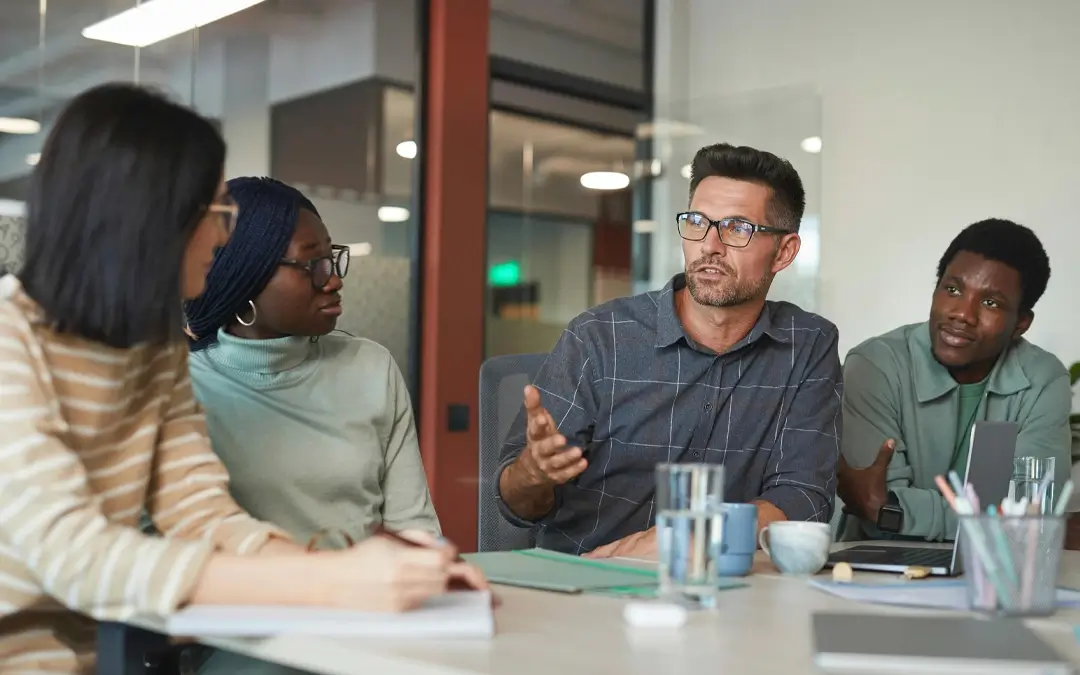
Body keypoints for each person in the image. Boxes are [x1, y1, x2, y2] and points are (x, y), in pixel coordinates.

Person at [0, 83, 480, 674]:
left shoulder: (153, 351)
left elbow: (202, 512)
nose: (227, 235)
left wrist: (348, 576)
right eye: (215, 212)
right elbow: (74, 555)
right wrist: (328, 585)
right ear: (149, 218)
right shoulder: (8, 344)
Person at [496, 143, 843, 558]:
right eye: (697, 221)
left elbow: (804, 501)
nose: (709, 245)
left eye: (736, 228)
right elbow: (515, 504)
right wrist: (532, 475)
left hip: (721, 596)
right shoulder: (600, 337)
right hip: (587, 582)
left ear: (783, 252)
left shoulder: (806, 346)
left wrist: (684, 538)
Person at [182, 177, 439, 545]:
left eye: (332, 259)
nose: (333, 280)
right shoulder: (181, 387)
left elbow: (414, 527)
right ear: (246, 277)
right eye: (312, 264)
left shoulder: (370, 367)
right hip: (243, 598)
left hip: (369, 595)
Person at [836, 219, 1070, 542]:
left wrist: (897, 511)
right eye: (953, 289)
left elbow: (1030, 519)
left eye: (991, 303)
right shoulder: (875, 366)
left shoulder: (1043, 380)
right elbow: (872, 515)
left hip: (995, 576)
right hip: (874, 570)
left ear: (1021, 324)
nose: (962, 314)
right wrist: (990, 516)